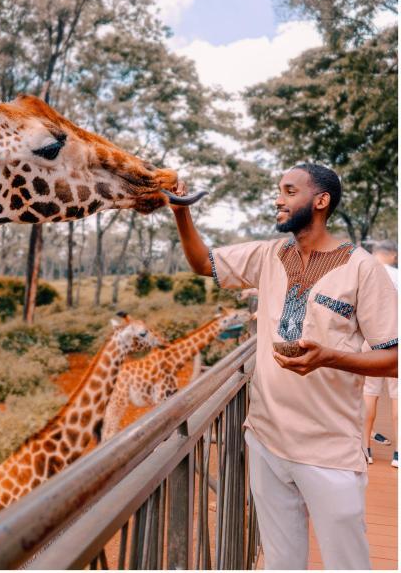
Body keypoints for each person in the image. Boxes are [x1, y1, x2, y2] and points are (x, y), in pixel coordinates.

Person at [170, 163, 397, 570]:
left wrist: (330, 356)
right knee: (281, 562)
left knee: (348, 563)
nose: (278, 199)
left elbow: (394, 359)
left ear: (321, 201)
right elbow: (205, 262)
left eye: (290, 191)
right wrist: (181, 211)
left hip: (329, 451)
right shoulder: (268, 255)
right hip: (266, 440)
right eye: (280, 190)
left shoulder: (363, 268)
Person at [363, 240, 398, 468]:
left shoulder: (365, 275)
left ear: (374, 255)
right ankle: (398, 454)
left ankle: (365, 449)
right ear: (393, 255)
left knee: (369, 393)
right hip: (398, 341)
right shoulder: (398, 275)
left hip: (370, 341)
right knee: (398, 397)